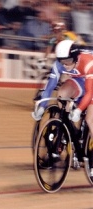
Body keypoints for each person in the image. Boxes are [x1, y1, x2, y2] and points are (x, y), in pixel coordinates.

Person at [32, 40, 93, 176]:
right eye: (63, 61)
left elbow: (89, 92)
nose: (66, 64)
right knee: (61, 94)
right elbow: (49, 87)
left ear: (76, 56)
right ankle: (66, 130)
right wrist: (42, 107)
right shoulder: (59, 64)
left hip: (91, 82)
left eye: (69, 60)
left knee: (90, 119)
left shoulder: (88, 62)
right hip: (80, 80)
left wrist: (79, 110)